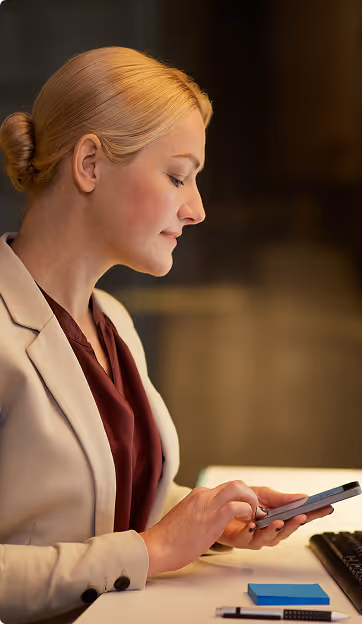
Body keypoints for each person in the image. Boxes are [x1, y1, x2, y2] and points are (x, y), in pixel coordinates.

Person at [0, 46, 332, 624]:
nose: (197, 209)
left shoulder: (112, 322)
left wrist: (207, 521)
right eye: (177, 176)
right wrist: (152, 551)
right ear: (90, 164)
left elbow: (103, 506)